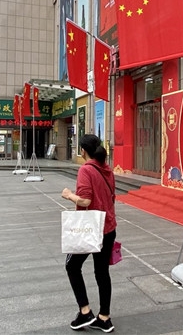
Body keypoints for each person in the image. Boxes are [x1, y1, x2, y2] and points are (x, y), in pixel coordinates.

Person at [61, 134, 117, 333]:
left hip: (90, 229)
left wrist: (69, 195)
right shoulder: (107, 169)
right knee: (102, 272)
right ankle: (104, 318)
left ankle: (85, 311)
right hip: (108, 227)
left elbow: (85, 200)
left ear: (83, 150)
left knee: (72, 266)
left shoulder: (86, 169)